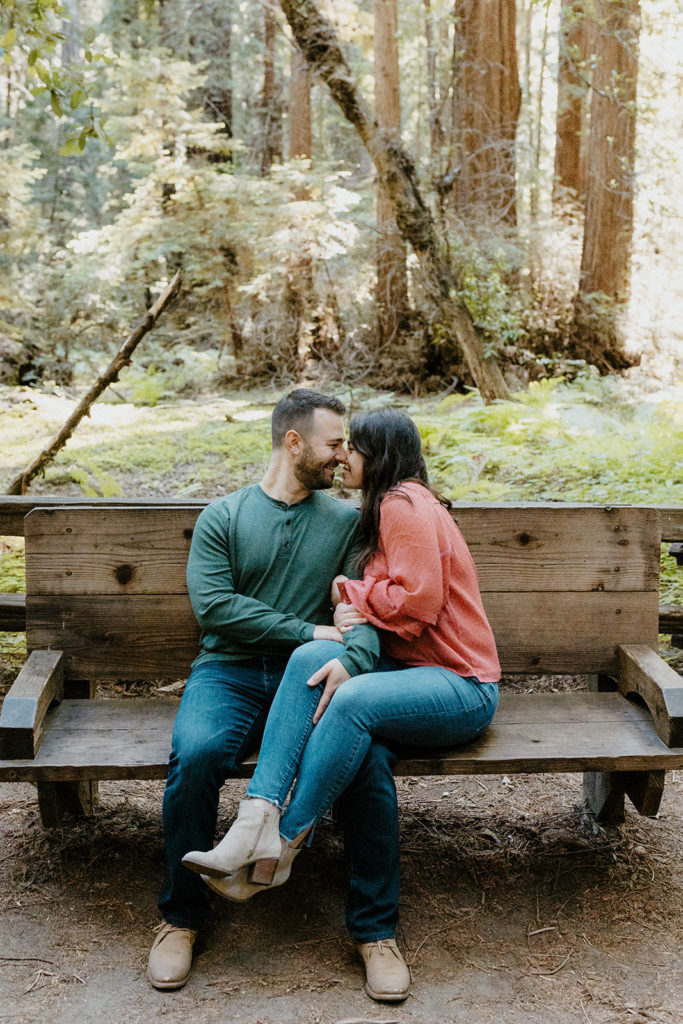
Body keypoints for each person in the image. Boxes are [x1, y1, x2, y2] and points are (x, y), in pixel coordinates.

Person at [182, 407, 501, 1001]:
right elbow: (369, 618)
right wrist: (346, 623)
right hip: (404, 682)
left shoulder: (401, 503)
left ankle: (287, 841)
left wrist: (351, 592)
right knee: (312, 666)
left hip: (458, 683)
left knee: (351, 711)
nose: (343, 457)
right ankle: (255, 818)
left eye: (353, 447)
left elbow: (418, 603)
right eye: (338, 444)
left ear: (376, 456)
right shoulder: (375, 514)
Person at [148, 390, 404, 1000]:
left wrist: (353, 655)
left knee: (368, 765)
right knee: (198, 752)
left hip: (311, 678)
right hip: (228, 673)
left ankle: (376, 931)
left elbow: (360, 612)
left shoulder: (345, 522)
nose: (343, 456)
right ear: (294, 443)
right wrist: (311, 629)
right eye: (334, 443)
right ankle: (178, 919)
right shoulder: (225, 517)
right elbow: (216, 610)